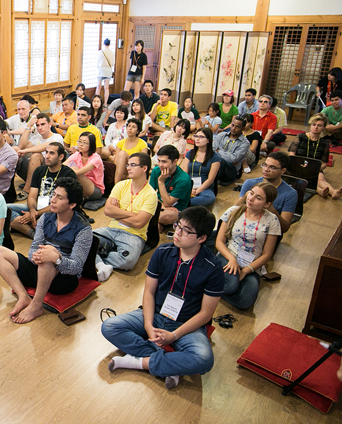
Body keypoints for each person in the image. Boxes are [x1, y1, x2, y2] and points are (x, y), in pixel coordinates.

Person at [102, 206, 223, 390]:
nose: (177, 233)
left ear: (202, 238)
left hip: (186, 324)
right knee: (109, 326)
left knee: (204, 359)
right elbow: (149, 292)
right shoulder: (163, 252)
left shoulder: (213, 267)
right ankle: (169, 365)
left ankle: (138, 362)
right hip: (157, 314)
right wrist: (149, 327)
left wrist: (174, 335)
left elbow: (206, 314)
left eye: (186, 231)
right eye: (178, 225)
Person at [0, 177, 93, 324]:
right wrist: (37, 256)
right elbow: (34, 247)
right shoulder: (46, 218)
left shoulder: (83, 229)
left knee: (48, 258)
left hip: (63, 280)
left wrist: (56, 258)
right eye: (53, 195)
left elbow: (76, 267)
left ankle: (36, 305)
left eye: (59, 198)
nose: (52, 200)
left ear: (72, 204)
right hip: (39, 269)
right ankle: (23, 297)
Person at [216, 182, 280, 310]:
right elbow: (219, 242)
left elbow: (267, 254)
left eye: (258, 198)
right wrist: (232, 259)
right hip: (228, 257)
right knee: (232, 286)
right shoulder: (233, 211)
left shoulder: (272, 220)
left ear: (267, 204)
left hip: (252, 264)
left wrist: (246, 270)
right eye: (251, 193)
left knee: (246, 301)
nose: (250, 198)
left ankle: (210, 289)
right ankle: (211, 287)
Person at [94, 153, 157, 279]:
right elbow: (107, 210)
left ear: (144, 168)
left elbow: (139, 223)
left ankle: (97, 256)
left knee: (128, 261)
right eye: (128, 165)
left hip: (133, 234)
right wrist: (131, 214)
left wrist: (117, 212)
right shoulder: (121, 185)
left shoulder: (151, 195)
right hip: (111, 229)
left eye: (133, 165)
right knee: (81, 238)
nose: (128, 168)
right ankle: (101, 265)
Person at [8, 142, 77, 238]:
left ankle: (24, 225)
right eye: (46, 152)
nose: (47, 156)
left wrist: (37, 214)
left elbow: (62, 204)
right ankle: (34, 233)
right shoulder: (39, 170)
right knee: (5, 209)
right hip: (37, 208)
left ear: (61, 157)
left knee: (57, 221)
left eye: (52, 153)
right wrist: (32, 211)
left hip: (56, 212)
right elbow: (32, 195)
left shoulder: (68, 174)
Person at [288, 114, 342, 199]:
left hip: (314, 168)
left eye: (319, 125)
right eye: (314, 124)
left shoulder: (324, 142)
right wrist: (299, 165)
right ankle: (319, 190)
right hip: (298, 166)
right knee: (300, 178)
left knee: (321, 178)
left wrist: (317, 168)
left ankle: (333, 192)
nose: (316, 127)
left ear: (323, 128)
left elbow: (324, 163)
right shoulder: (300, 137)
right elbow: (291, 156)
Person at [237, 152, 297, 234]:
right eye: (264, 165)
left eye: (272, 167)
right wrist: (246, 196)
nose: (266, 169)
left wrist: (270, 208)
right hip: (244, 224)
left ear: (283, 170)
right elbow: (235, 210)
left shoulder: (290, 193)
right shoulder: (250, 183)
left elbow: (284, 228)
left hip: (268, 231)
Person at [15, 113, 64, 201]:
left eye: (43, 124)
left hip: (50, 170)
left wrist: (26, 151)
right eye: (37, 125)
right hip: (35, 170)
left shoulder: (57, 137)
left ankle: (27, 189)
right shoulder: (36, 137)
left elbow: (47, 146)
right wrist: (28, 126)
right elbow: (21, 147)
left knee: (36, 155)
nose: (40, 127)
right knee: (15, 150)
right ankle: (6, 187)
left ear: (49, 125)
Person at [149, 145, 192, 230]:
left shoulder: (183, 179)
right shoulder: (156, 170)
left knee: (166, 217)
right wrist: (161, 206)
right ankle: (156, 223)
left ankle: (154, 221)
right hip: (158, 204)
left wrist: (161, 182)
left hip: (175, 209)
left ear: (175, 162)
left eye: (164, 162)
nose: (160, 165)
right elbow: (148, 193)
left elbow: (168, 203)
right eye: (159, 161)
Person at [180, 128, 221, 207]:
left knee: (210, 198)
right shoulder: (190, 153)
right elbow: (185, 173)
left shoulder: (215, 157)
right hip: (188, 184)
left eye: (201, 137)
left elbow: (210, 179)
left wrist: (197, 191)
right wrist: (189, 188)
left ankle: (183, 202)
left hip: (204, 187)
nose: (197, 139)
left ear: (208, 140)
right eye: (196, 136)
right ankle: (184, 201)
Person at [67, 131, 105, 202]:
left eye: (84, 142)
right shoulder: (77, 154)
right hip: (81, 187)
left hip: (95, 190)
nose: (81, 145)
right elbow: (64, 165)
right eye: (80, 141)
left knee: (75, 171)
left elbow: (79, 172)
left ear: (91, 145)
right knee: (70, 168)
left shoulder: (96, 158)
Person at [213, 116, 250, 186]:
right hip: (216, 165)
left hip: (231, 171)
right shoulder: (221, 135)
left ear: (243, 129)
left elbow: (233, 159)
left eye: (237, 127)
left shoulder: (245, 143)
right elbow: (212, 150)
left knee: (220, 161)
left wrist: (219, 151)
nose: (233, 128)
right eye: (232, 125)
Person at [113, 117, 150, 183]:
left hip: (135, 168)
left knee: (123, 153)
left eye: (133, 127)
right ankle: (116, 186)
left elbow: (144, 162)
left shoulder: (142, 144)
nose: (130, 128)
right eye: (129, 126)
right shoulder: (120, 143)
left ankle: (117, 183)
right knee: (122, 154)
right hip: (122, 169)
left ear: (138, 131)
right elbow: (116, 162)